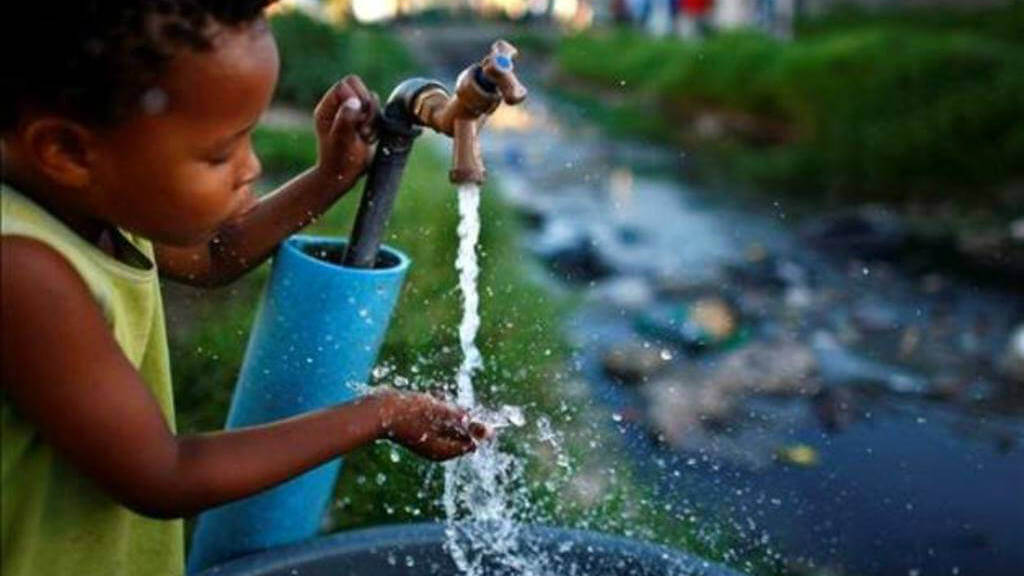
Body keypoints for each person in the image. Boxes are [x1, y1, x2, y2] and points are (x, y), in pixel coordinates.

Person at [0, 2, 487, 575]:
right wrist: (377, 415)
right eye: (220, 153)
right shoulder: (21, 268)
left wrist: (331, 175)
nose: (251, 167)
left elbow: (212, 255)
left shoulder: (89, 199)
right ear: (67, 151)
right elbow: (162, 474)